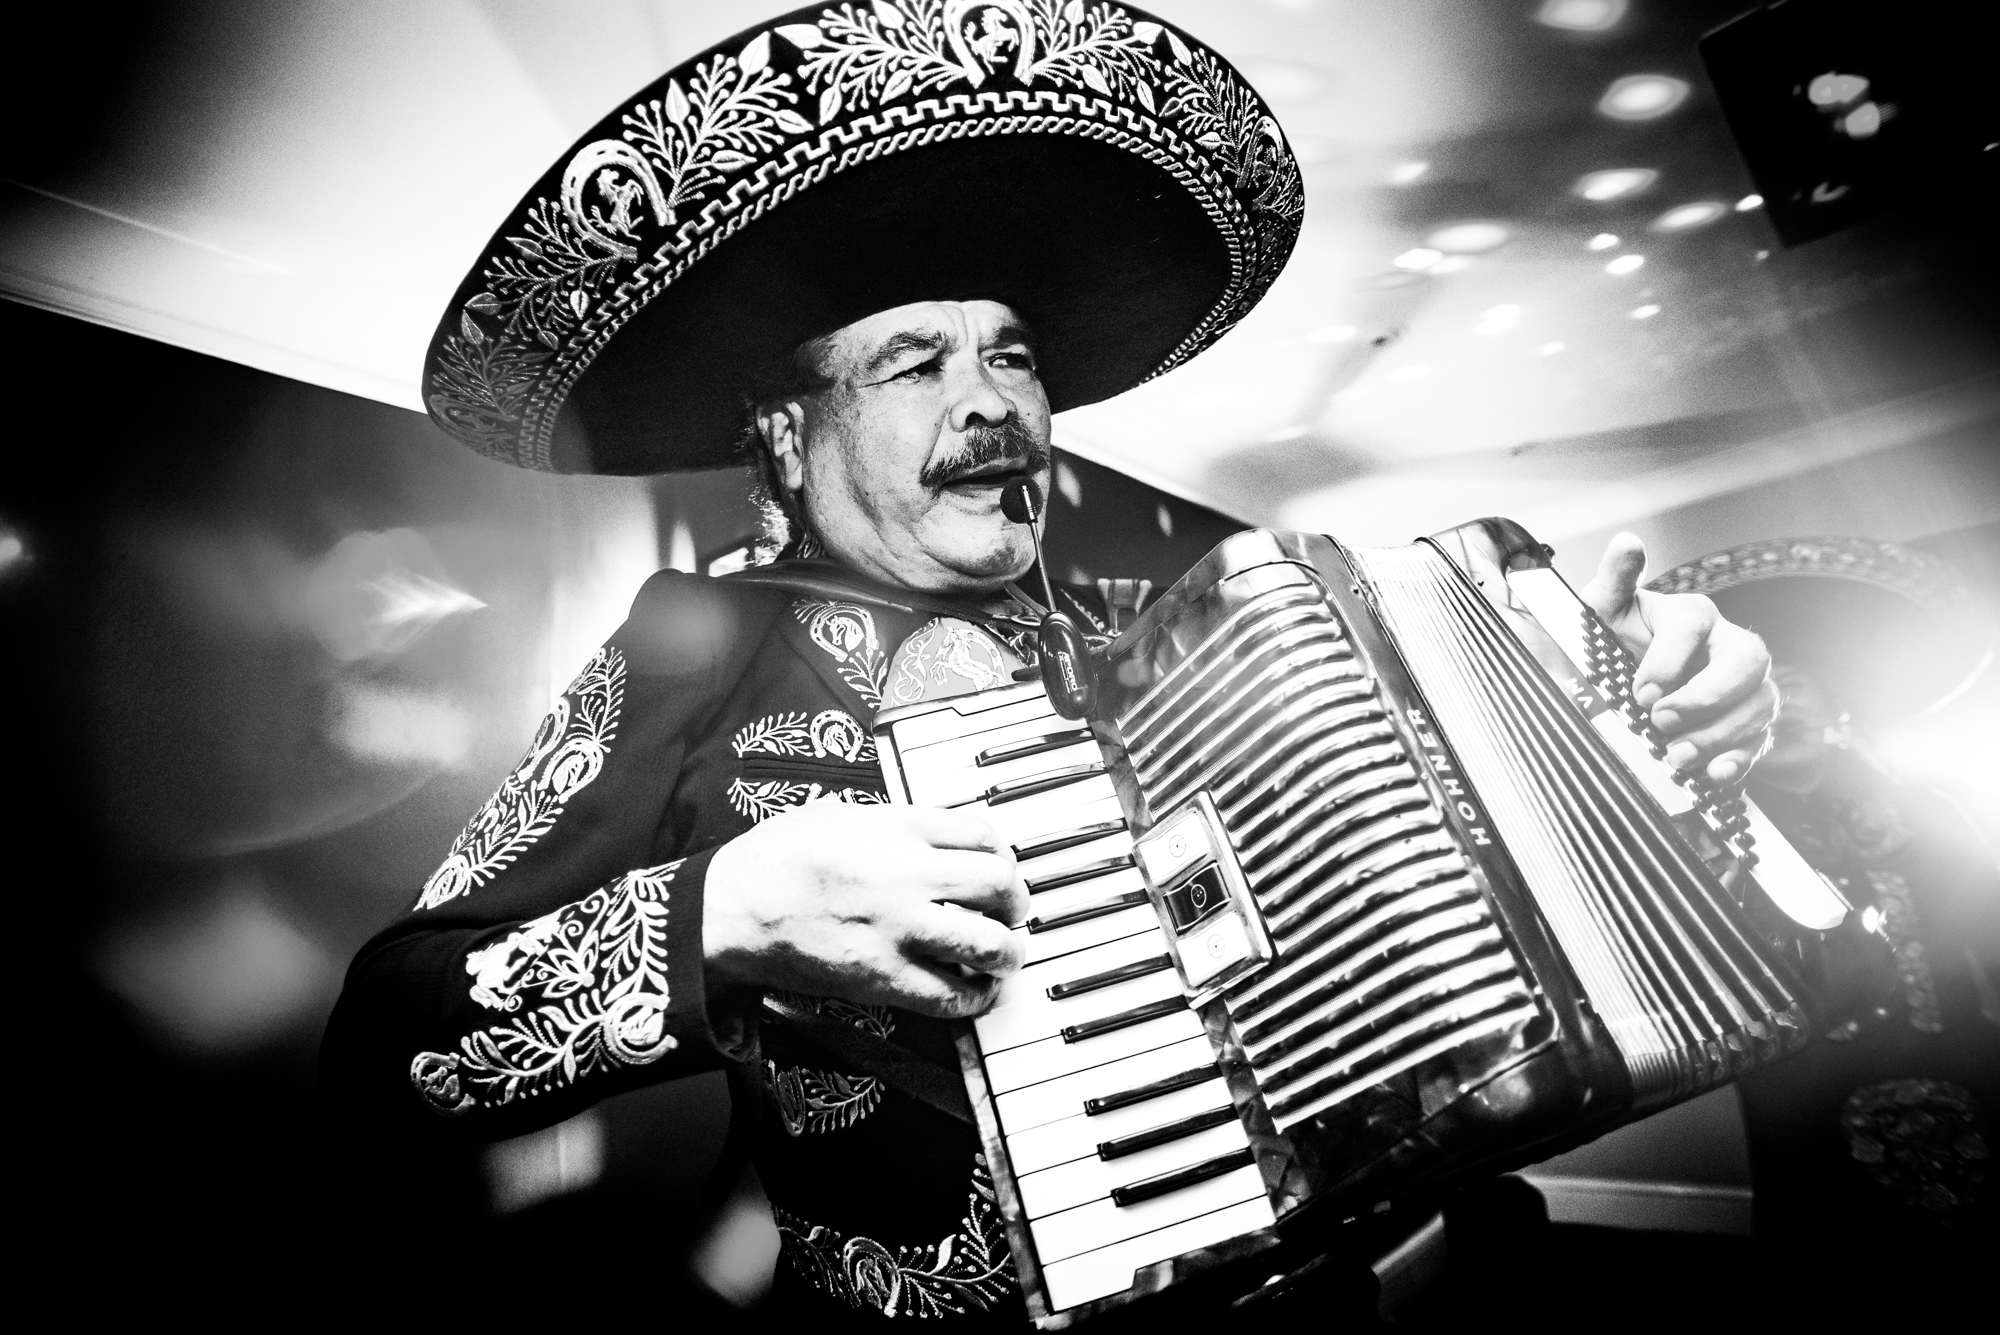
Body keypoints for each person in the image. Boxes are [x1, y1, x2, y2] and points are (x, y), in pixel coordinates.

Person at [322, 4, 1779, 1321]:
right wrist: (722, 915)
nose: (991, 405)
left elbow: (1444, 861)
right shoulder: (693, 634)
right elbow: (388, 1040)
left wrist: (1630, 718)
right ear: (786, 433)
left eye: (1010, 357)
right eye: (915, 363)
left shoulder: (1168, 636)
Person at [1650, 537, 2000, 1310]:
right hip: (1802, 1090)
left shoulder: (1925, 807)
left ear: (1838, 705)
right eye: (1768, 688)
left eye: (1802, 685)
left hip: (1964, 1063)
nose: (1787, 702)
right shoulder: (1711, 829)